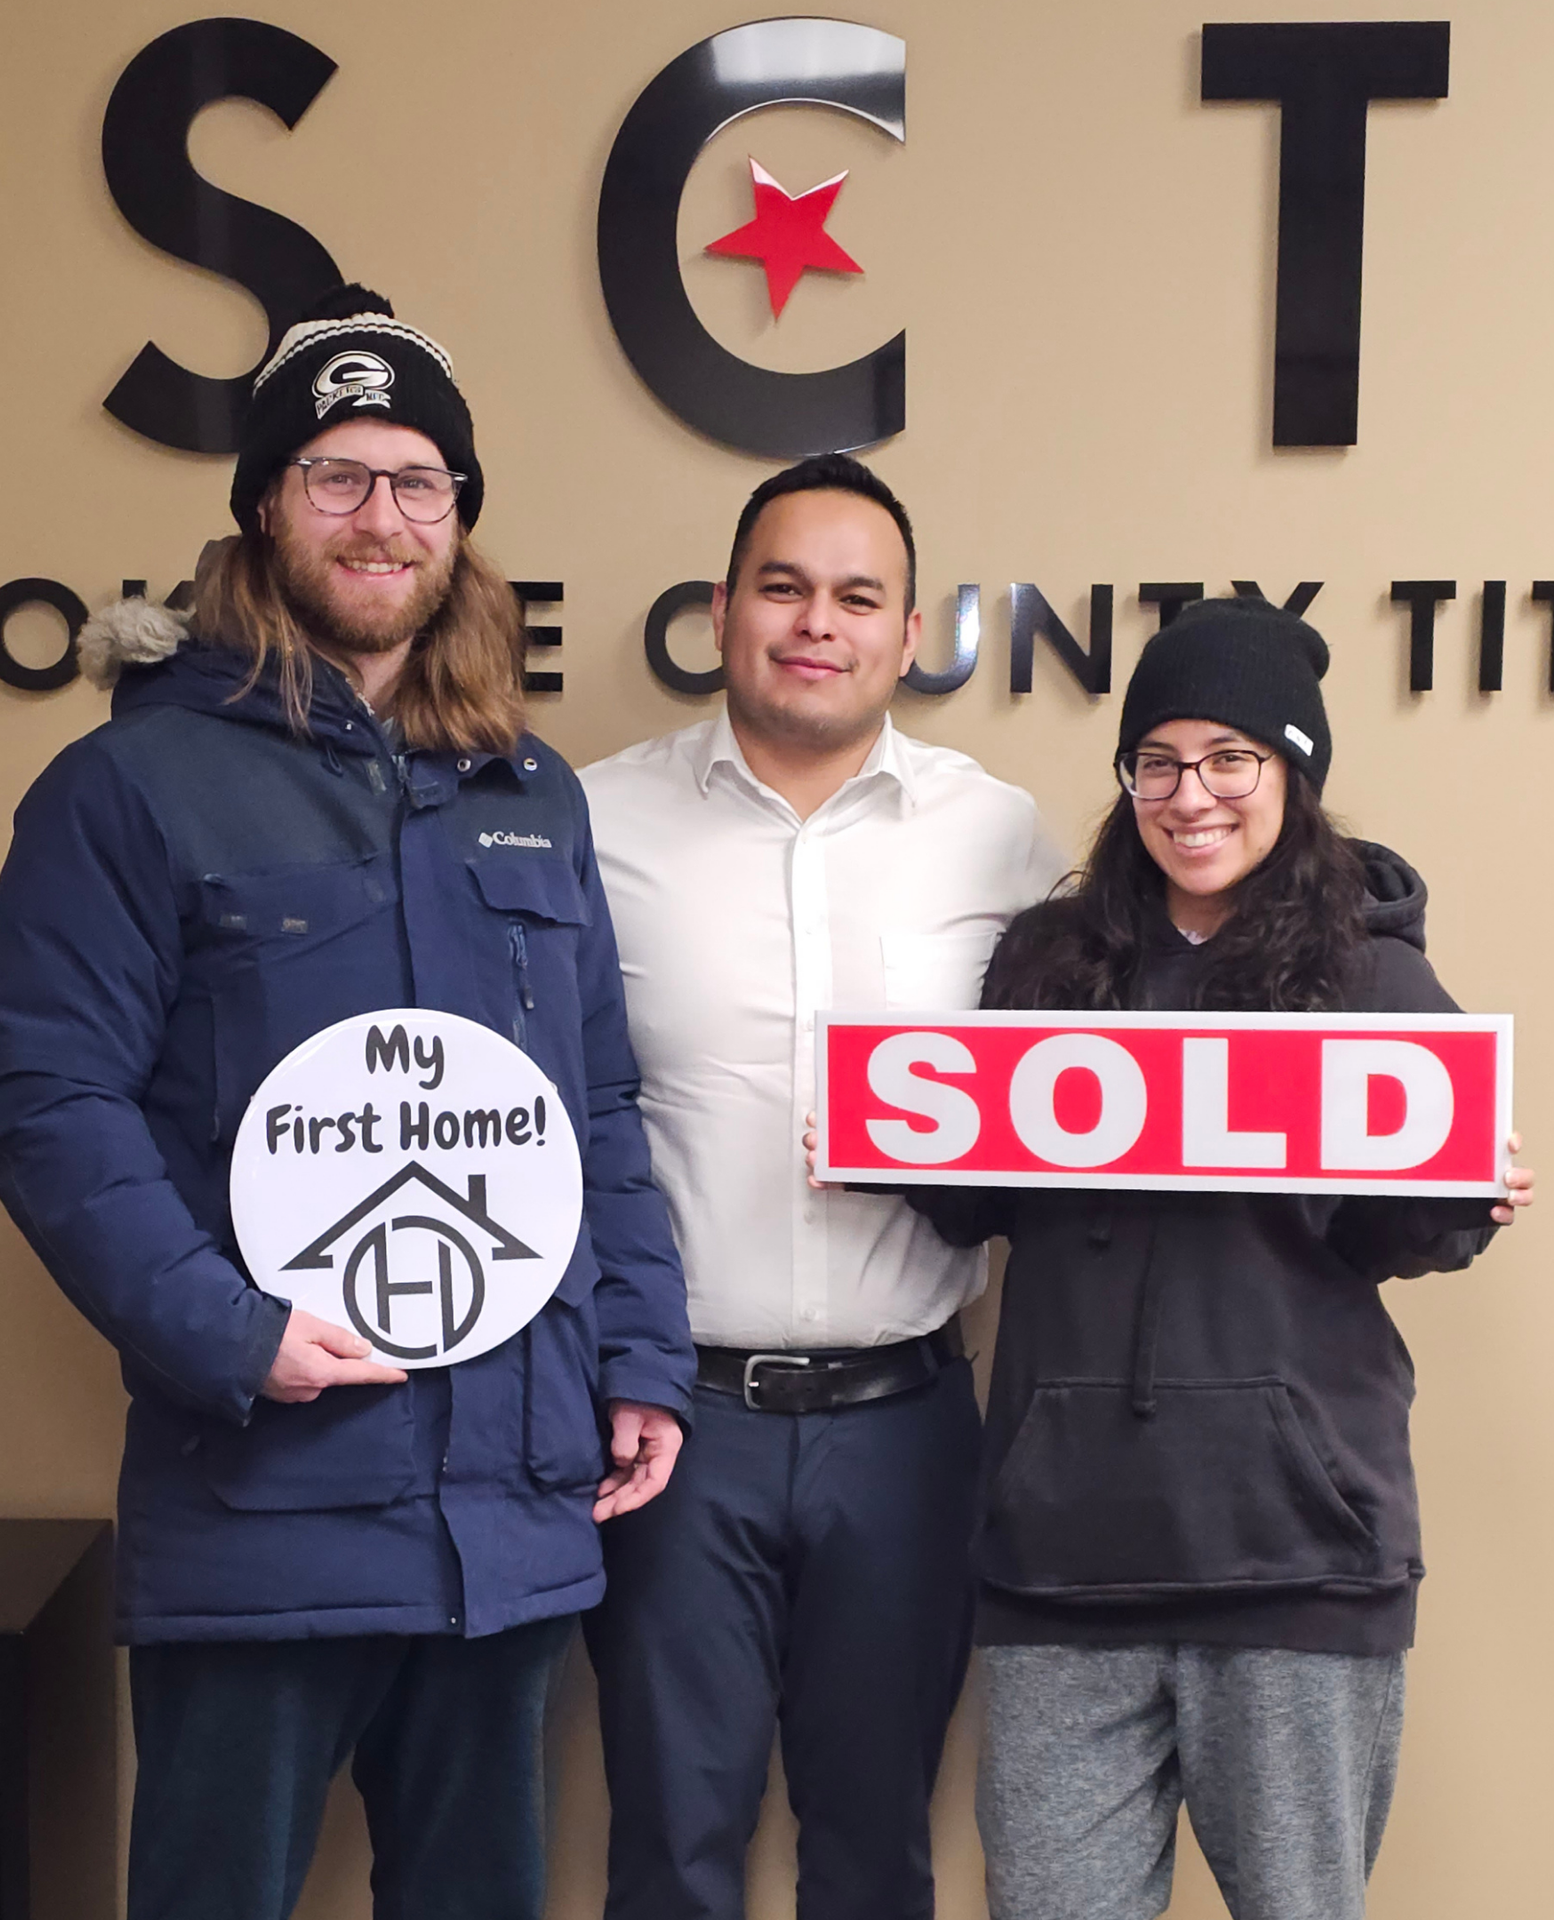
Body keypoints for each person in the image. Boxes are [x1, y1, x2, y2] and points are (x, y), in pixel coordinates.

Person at [0, 283, 694, 1920]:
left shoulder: (530, 791)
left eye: (418, 481)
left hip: (509, 1514)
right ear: (265, 511)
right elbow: (43, 1091)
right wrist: (227, 1332)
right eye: (337, 476)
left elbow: (594, 1110)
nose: (382, 518)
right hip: (261, 1506)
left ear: (461, 520)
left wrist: (639, 1360)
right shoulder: (129, 787)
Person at [884, 597, 1534, 1920]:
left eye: (1231, 759)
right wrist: (891, 1122)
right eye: (1159, 760)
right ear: (1127, 782)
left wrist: (1467, 1184)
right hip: (1061, 1559)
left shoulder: (1371, 980)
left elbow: (1413, 1235)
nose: (1192, 795)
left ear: (1292, 775)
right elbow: (972, 1209)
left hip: (1293, 1559)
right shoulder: (1049, 966)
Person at [578, 453, 1065, 1920]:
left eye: (859, 596)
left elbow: (1128, 1063)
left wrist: (1386, 1126)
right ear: (723, 610)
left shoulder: (1000, 835)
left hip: (908, 1428)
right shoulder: (589, 823)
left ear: (909, 634)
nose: (817, 622)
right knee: (671, 1848)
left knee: (875, 1851)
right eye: (784, 587)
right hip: (670, 1429)